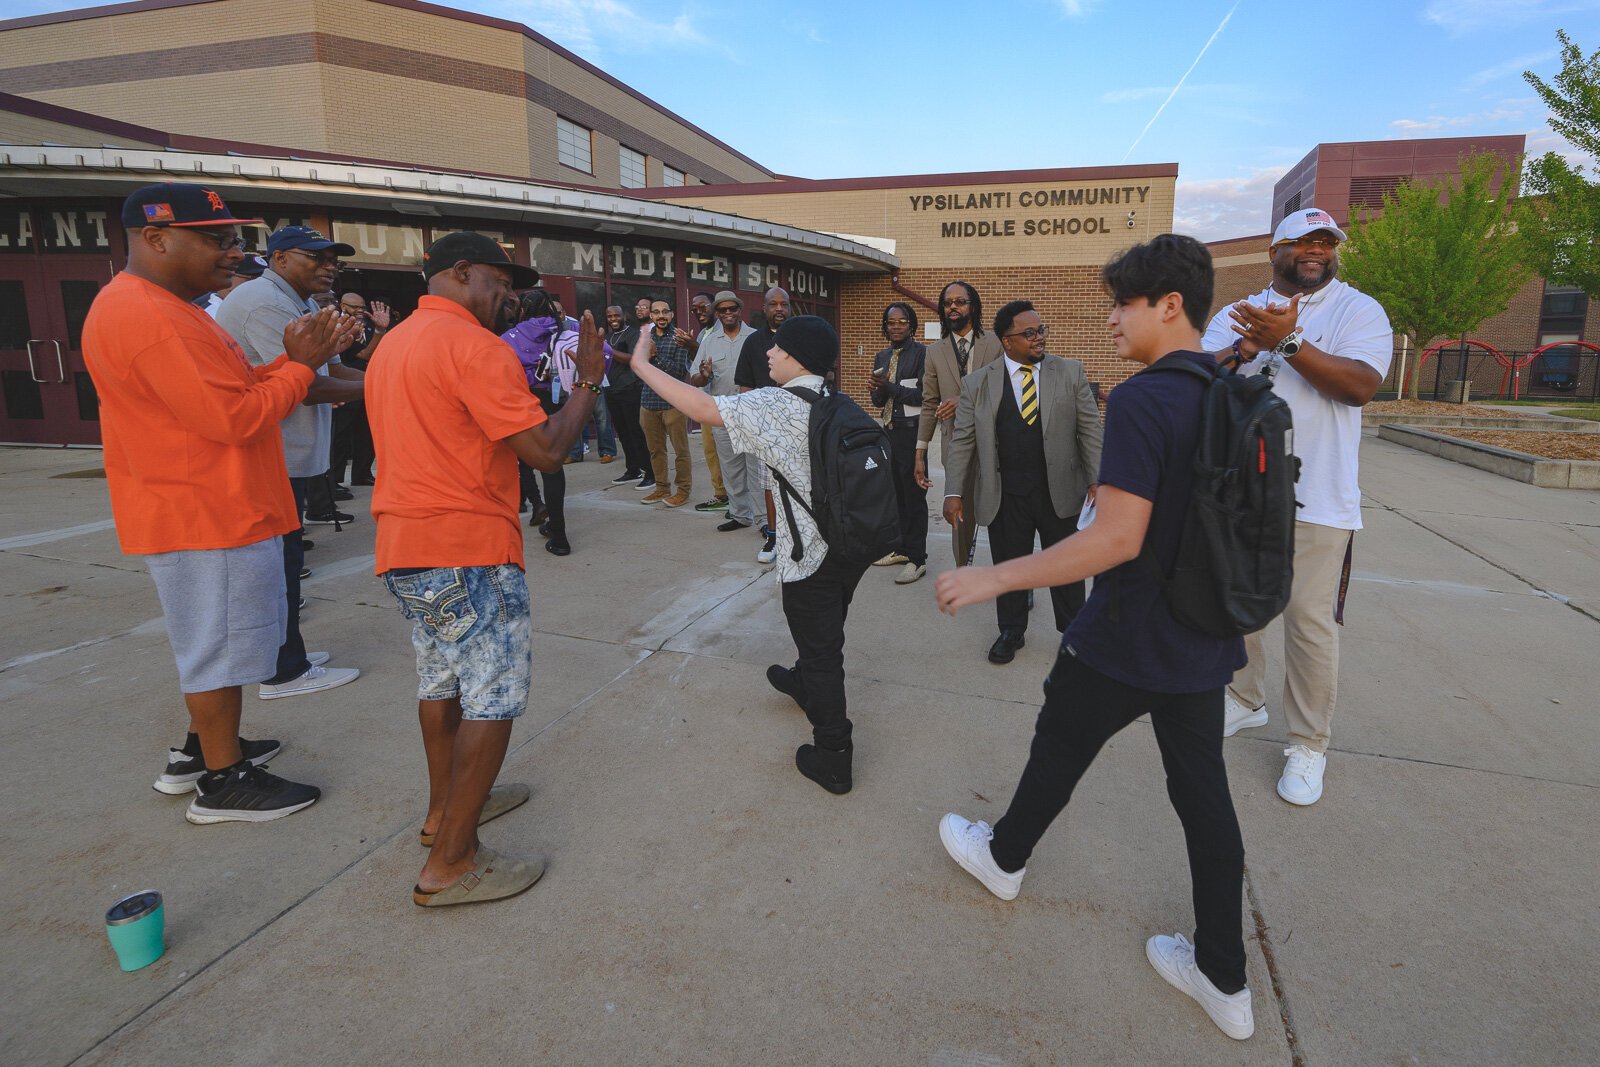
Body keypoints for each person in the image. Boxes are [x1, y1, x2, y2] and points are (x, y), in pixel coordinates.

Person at [935, 234, 1254, 1041]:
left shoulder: (1147, 397)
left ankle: (1004, 858)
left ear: (1169, 305)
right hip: (1202, 637)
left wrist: (994, 577)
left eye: (1123, 303)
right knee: (1203, 796)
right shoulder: (1230, 390)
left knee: (1058, 745)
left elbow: (1116, 537)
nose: (1110, 319)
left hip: (1125, 631)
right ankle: (1225, 978)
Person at [83, 182, 359, 823]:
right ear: (155, 238)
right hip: (205, 510)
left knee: (223, 642)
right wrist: (300, 368)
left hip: (215, 503)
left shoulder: (168, 307)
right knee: (216, 646)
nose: (233, 252)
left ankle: (202, 750)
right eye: (215, 239)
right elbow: (234, 418)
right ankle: (223, 781)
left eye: (234, 239)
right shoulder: (147, 315)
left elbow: (233, 388)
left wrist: (295, 362)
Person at [366, 232, 603, 907]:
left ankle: (445, 810)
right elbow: (548, 451)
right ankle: (453, 861)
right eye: (501, 281)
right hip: (468, 550)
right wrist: (587, 380)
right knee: (492, 697)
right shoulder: (473, 348)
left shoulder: (395, 345)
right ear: (460, 272)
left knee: (441, 682)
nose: (512, 296)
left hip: (406, 550)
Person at [1201, 207, 1393, 807]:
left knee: (1309, 626)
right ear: (1273, 251)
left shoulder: (1358, 309)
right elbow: (1200, 379)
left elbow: (1359, 386)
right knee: (1240, 609)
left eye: (1325, 243)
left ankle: (1309, 744)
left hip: (1320, 496)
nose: (1315, 251)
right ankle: (1244, 699)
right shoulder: (1237, 313)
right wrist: (1246, 346)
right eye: (1302, 242)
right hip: (1243, 493)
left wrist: (1285, 341)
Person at [631, 315, 869, 794]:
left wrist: (639, 362)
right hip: (850, 547)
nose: (768, 353)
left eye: (777, 349)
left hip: (810, 557)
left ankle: (834, 755)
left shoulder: (775, 404)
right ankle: (803, 681)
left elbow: (699, 405)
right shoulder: (837, 400)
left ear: (796, 356)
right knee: (823, 629)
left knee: (823, 651)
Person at [215, 224, 364, 700]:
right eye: (315, 257)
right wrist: (395, 386)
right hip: (268, 454)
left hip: (290, 454)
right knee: (279, 564)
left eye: (333, 260)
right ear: (279, 259)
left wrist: (393, 372)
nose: (328, 267)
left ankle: (284, 652)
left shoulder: (298, 303)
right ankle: (284, 669)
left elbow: (329, 369)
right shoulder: (265, 303)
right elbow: (306, 386)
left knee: (287, 559)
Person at [944, 299, 1103, 664]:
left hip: (1059, 491)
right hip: (1005, 495)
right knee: (1010, 566)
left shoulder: (1070, 372)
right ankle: (1011, 631)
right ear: (1007, 341)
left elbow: (1090, 431)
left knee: (1066, 568)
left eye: (1041, 330)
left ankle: (1074, 635)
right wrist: (953, 492)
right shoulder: (977, 384)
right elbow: (962, 441)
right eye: (1029, 333)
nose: (1039, 338)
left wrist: (1097, 480)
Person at [502, 290, 615, 556]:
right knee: (552, 468)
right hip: (557, 402)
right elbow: (605, 351)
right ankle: (558, 533)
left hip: (524, 404)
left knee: (523, 463)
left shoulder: (511, 337)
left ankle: (535, 506)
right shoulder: (566, 331)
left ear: (523, 310)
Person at [915, 281, 1003, 566]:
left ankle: (1016, 581)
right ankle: (962, 570)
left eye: (960, 301)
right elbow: (929, 403)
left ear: (973, 306)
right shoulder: (934, 352)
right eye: (947, 302)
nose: (953, 307)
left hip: (996, 443)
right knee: (958, 511)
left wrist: (963, 400)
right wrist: (920, 451)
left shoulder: (997, 343)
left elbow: (1006, 392)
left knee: (1004, 514)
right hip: (955, 444)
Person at [867, 301, 929, 584]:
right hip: (889, 430)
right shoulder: (882, 356)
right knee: (895, 495)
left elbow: (924, 398)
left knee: (914, 497)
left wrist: (890, 388)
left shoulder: (923, 355)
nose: (896, 326)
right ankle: (901, 548)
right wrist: (877, 391)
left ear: (912, 325)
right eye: (891, 322)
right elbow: (881, 401)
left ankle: (918, 559)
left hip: (913, 434)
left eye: (902, 321)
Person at [735, 286, 792, 563]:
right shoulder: (754, 342)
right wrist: (751, 422)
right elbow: (745, 385)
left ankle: (800, 532)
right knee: (770, 483)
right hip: (766, 424)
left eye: (784, 304)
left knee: (801, 480)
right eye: (773, 304)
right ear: (765, 308)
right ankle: (773, 535)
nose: (779, 308)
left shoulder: (801, 338)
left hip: (798, 421)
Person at [691, 290, 756, 525]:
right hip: (723, 414)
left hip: (752, 415)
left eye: (732, 309)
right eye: (722, 310)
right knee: (731, 469)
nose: (728, 313)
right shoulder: (708, 342)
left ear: (739, 310)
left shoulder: (755, 338)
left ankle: (762, 520)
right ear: (716, 313)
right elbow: (694, 379)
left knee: (756, 471)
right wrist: (703, 376)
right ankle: (740, 515)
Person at [328, 291, 391, 486]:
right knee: (340, 435)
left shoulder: (371, 324)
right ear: (342, 305)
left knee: (367, 433)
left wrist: (380, 331)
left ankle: (362, 473)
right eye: (354, 307)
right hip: (345, 387)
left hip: (368, 386)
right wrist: (380, 333)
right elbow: (363, 354)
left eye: (362, 307)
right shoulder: (337, 326)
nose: (360, 311)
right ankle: (335, 479)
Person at [637, 299, 694, 508]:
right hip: (648, 402)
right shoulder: (644, 337)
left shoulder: (679, 338)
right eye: (656, 312)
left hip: (673, 403)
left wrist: (655, 356)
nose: (661, 316)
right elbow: (638, 368)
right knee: (655, 450)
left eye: (665, 312)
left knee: (681, 450)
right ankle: (661, 487)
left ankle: (683, 490)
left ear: (671, 315)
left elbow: (679, 372)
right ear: (650, 316)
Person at [603, 304, 651, 487]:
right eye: (610, 316)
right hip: (612, 390)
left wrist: (608, 350)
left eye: (617, 315)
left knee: (636, 432)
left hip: (631, 389)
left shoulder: (633, 334)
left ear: (624, 316)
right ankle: (633, 470)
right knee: (622, 433)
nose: (613, 319)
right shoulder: (607, 337)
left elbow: (633, 359)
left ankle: (650, 472)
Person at [196, 253, 266, 315]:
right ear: (228, 277)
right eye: (252, 279)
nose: (259, 285)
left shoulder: (261, 308)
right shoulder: (207, 314)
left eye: (265, 279)